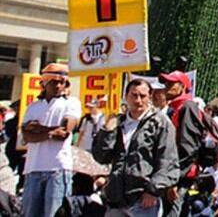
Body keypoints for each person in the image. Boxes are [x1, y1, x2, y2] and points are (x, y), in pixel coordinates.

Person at [93, 78, 180, 216]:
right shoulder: (118, 122)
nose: (138, 100)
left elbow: (168, 161)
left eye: (142, 96)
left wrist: (153, 191)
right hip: (116, 198)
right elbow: (101, 157)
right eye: (134, 95)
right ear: (126, 96)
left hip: (143, 200)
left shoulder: (160, 123)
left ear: (150, 97)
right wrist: (107, 131)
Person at [20, 62, 81, 217]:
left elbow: (64, 133)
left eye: (63, 82)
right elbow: (26, 136)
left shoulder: (71, 103)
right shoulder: (33, 106)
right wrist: (51, 132)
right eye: (54, 82)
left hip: (58, 169)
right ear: (45, 83)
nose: (59, 86)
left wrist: (39, 129)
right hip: (33, 168)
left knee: (55, 214)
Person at [160, 69, 205, 216]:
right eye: (166, 83)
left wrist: (175, 179)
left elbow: (189, 147)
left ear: (183, 87)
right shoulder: (176, 109)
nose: (167, 86)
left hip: (180, 176)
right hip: (174, 174)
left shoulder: (187, 107)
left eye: (171, 83)